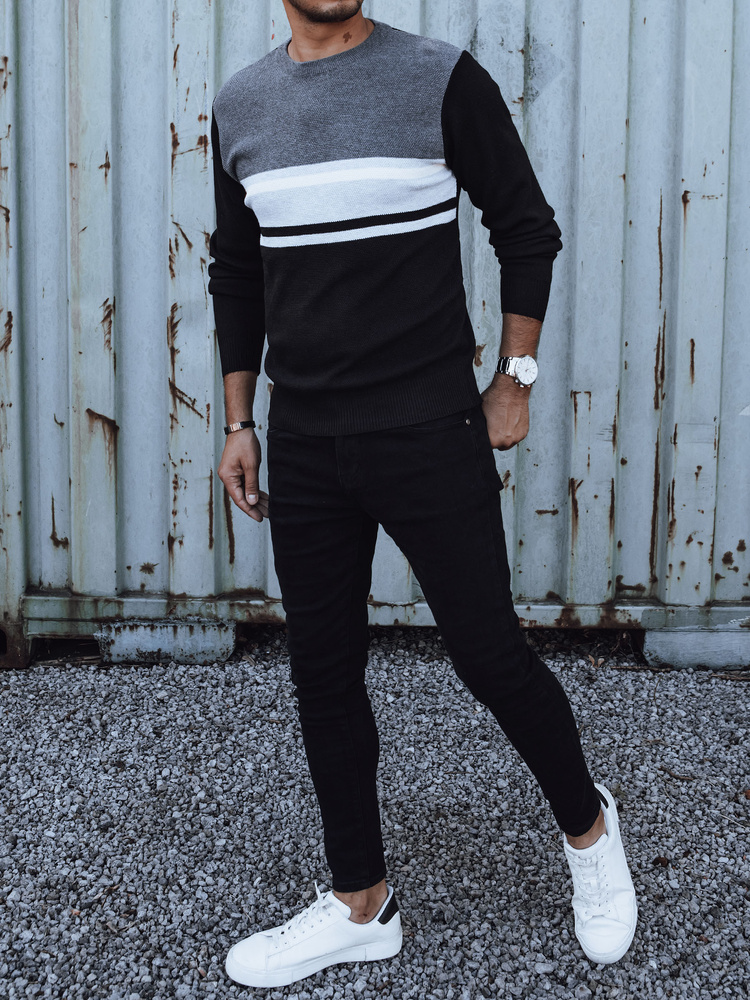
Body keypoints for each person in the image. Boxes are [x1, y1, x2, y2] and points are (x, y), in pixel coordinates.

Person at [208, 0, 638, 988]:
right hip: (304, 438)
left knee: (490, 656)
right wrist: (238, 421)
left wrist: (514, 381)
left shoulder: (440, 79)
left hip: (428, 429)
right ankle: (361, 904)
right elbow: (238, 271)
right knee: (323, 672)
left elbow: (527, 229)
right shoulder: (242, 106)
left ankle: (590, 831)